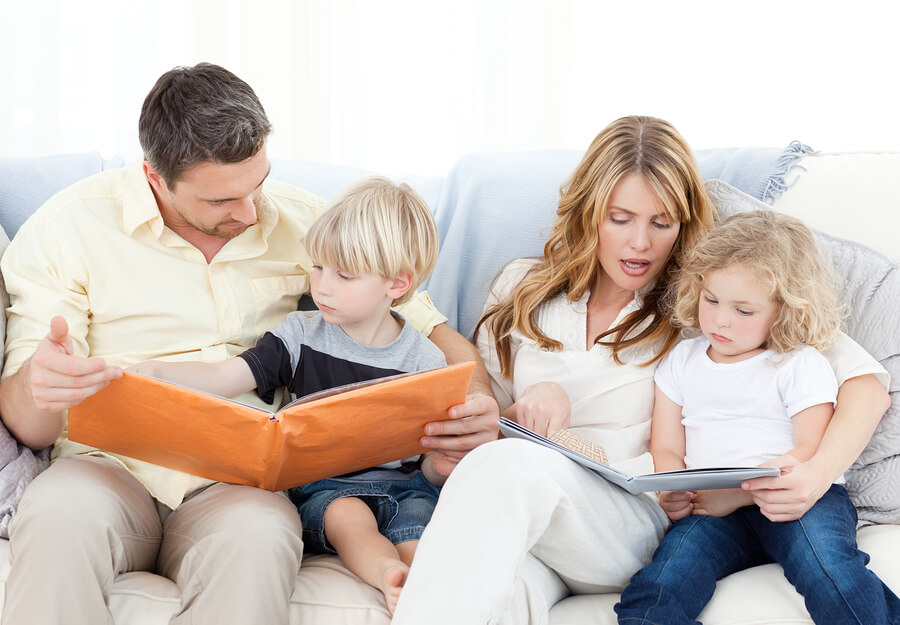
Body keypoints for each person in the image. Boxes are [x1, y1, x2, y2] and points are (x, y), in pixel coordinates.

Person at [0, 63, 498, 625]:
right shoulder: (68, 228)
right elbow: (30, 421)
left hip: (240, 482)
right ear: (155, 177)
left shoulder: (313, 226)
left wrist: (478, 406)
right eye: (221, 202)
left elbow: (439, 340)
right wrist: (43, 385)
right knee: (57, 516)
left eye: (258, 184)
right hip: (106, 471)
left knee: (261, 535)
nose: (251, 212)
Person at [391, 116, 892, 624]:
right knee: (494, 596)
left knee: (506, 468)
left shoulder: (708, 303)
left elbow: (866, 386)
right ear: (589, 212)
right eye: (620, 218)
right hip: (539, 529)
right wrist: (453, 453)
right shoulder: (521, 290)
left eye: (661, 222)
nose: (640, 245)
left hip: (633, 519)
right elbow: (484, 439)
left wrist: (815, 474)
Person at [131, 176, 448, 614]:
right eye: (317, 267)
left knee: (415, 528)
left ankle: (428, 595)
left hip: (407, 489)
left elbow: (429, 464)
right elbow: (227, 375)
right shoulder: (300, 335)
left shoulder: (426, 361)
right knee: (349, 519)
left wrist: (441, 464)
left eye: (344, 275)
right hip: (328, 490)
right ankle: (388, 578)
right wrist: (155, 373)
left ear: (396, 284)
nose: (323, 287)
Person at [614, 210, 899, 625]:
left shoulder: (798, 363)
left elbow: (808, 450)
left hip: (801, 502)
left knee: (831, 573)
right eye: (711, 300)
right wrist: (670, 491)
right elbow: (667, 446)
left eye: (744, 311)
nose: (721, 319)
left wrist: (736, 495)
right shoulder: (681, 360)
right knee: (658, 587)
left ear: (783, 311)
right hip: (711, 513)